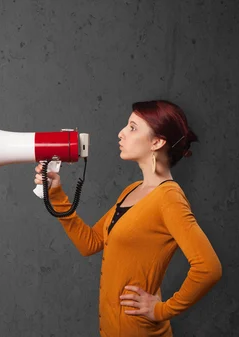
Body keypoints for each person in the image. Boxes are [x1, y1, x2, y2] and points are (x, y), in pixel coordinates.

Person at [34, 100, 222, 337]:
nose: (121, 133)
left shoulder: (169, 198)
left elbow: (209, 268)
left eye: (133, 127)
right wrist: (56, 194)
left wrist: (163, 310)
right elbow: (90, 243)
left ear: (157, 141)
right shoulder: (132, 190)